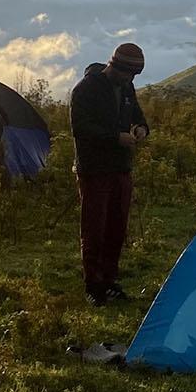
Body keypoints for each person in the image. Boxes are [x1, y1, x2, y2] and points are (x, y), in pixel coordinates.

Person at [70, 42, 150, 306]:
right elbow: (81, 129)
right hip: (94, 169)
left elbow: (138, 115)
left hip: (120, 168)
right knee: (94, 228)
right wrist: (116, 138)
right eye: (127, 74)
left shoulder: (126, 88)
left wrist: (141, 128)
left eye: (134, 76)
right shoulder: (85, 90)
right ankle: (93, 285)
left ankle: (109, 279)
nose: (130, 79)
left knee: (117, 226)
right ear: (114, 66)